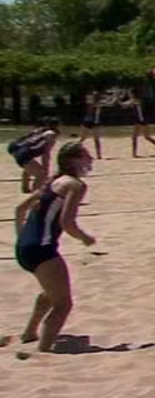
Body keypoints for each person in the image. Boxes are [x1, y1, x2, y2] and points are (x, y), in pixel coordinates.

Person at [14, 141, 95, 353]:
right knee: (64, 304)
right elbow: (67, 223)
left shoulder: (53, 181)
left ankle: (30, 332)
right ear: (72, 160)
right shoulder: (75, 185)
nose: (90, 160)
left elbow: (19, 210)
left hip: (24, 248)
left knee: (50, 293)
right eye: (86, 156)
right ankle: (43, 351)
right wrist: (85, 238)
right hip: (42, 250)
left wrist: (22, 238)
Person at [9, 122, 59, 193]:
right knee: (42, 174)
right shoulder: (51, 135)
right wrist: (46, 169)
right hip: (24, 153)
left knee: (29, 166)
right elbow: (46, 154)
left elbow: (26, 139)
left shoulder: (40, 129)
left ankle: (25, 188)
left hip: (15, 147)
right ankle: (35, 195)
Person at [121, 91, 155, 158]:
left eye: (130, 93)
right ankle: (134, 154)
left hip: (141, 120)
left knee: (145, 137)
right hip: (138, 120)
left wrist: (117, 99)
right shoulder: (135, 100)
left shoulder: (136, 100)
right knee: (137, 137)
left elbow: (125, 105)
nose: (129, 94)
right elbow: (124, 106)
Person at [80, 91, 104, 159]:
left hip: (94, 123)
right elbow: (89, 113)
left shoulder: (95, 104)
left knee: (96, 139)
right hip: (90, 122)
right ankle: (98, 155)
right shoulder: (92, 104)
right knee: (84, 138)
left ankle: (99, 155)